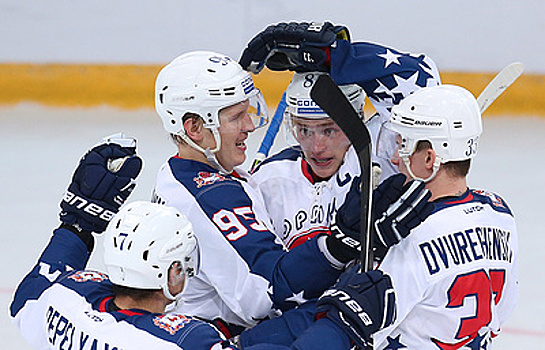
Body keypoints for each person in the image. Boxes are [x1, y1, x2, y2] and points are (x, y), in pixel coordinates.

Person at [10, 135, 396, 350]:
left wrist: (77, 225)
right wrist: (342, 325)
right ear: (173, 273)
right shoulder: (184, 340)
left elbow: (28, 294)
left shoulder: (66, 298)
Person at [151, 50, 425, 330]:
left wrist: (335, 55)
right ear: (195, 127)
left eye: (329, 130)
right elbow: (264, 297)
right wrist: (338, 246)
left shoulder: (180, 176)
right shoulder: (225, 192)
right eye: (236, 117)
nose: (249, 126)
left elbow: (425, 100)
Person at [370, 84, 519, 349]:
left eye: (403, 145)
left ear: (430, 159)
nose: (394, 158)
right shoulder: (501, 214)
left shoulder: (408, 233)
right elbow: (502, 309)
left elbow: (367, 329)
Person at [239, 21, 442, 182]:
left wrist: (335, 56)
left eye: (329, 130)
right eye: (304, 130)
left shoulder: (383, 150)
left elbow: (422, 78)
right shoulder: (271, 179)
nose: (316, 148)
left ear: (357, 120)